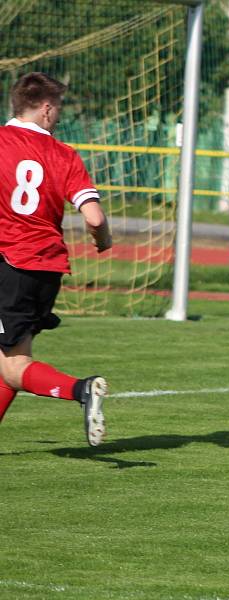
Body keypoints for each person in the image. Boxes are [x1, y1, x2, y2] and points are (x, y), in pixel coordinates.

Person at [0, 72, 112, 446]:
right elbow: (93, 217)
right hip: (47, 268)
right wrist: (104, 239)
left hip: (9, 263)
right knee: (11, 359)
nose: (58, 115)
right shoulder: (63, 154)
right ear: (46, 109)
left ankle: (80, 390)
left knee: (14, 365)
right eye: (59, 108)